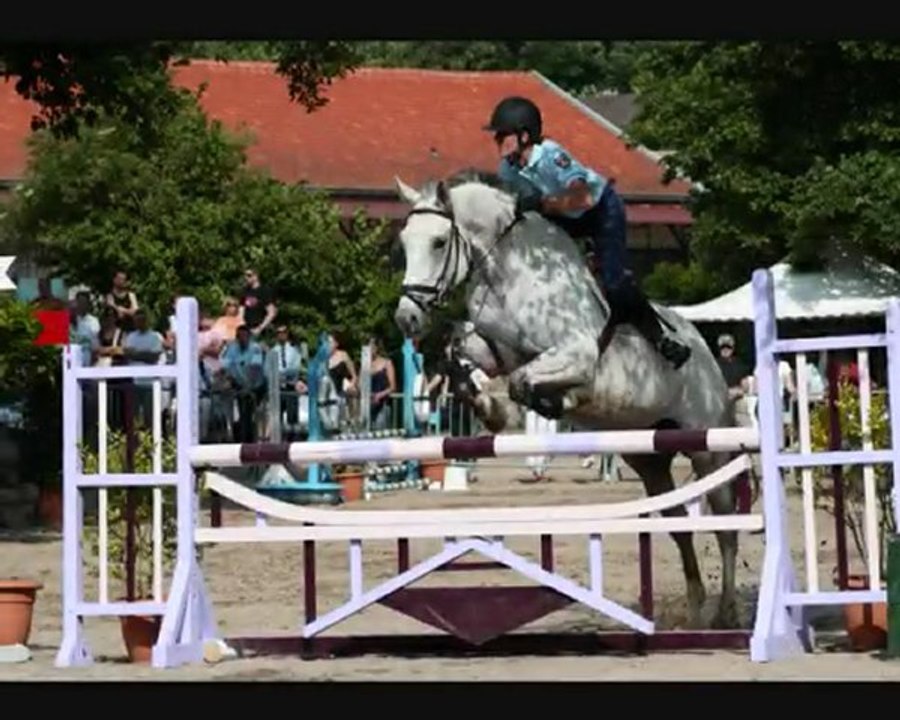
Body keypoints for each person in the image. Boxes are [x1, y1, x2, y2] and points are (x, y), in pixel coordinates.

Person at [482, 96, 691, 369]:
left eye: (502, 135)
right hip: (564, 219)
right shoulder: (508, 170)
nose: (497, 140)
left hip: (601, 211)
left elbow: (583, 200)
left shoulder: (551, 157)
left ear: (524, 136)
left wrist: (543, 204)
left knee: (615, 282)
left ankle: (662, 340)